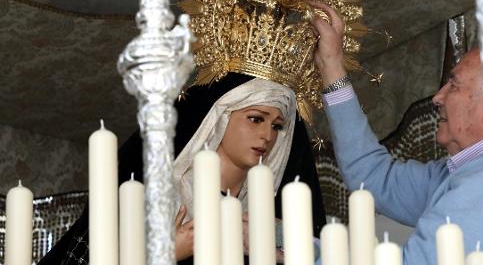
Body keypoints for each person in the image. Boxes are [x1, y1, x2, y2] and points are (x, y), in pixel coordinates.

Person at [309, 1, 483, 265]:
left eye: (454, 85)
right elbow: (373, 177)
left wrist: (305, 254)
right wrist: (331, 66)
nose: (437, 98)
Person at [38, 73, 326, 265]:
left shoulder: (271, 219)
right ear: (218, 119)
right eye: (255, 119)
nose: (268, 135)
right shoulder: (141, 200)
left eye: (277, 126)